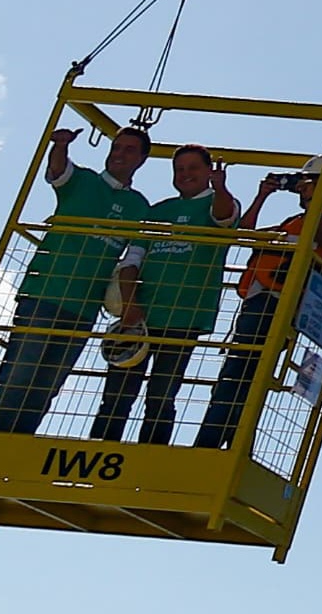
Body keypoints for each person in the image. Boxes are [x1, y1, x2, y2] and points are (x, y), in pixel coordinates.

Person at [0, 120, 150, 433]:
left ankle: (12, 447)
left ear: (142, 159)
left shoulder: (138, 206)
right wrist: (60, 145)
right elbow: (58, 172)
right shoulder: (83, 181)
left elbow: (134, 258)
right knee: (18, 374)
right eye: (116, 147)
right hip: (45, 294)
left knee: (47, 386)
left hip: (83, 308)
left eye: (129, 149)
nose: (119, 154)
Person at [195, 165, 322, 454]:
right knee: (238, 376)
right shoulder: (293, 222)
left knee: (241, 376)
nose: (301, 188)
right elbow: (245, 234)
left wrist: (315, 198)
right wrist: (263, 195)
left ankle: (210, 448)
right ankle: (229, 447)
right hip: (259, 302)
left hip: (280, 304)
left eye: (308, 183)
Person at [95, 140, 239, 444]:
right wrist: (131, 305)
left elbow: (225, 217)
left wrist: (220, 187)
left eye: (193, 168)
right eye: (179, 169)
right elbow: (132, 261)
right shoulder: (158, 211)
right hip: (140, 318)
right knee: (117, 394)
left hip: (183, 319)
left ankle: (148, 460)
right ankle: (100, 451)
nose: (185, 174)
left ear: (208, 172)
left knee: (161, 397)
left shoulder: (217, 203)